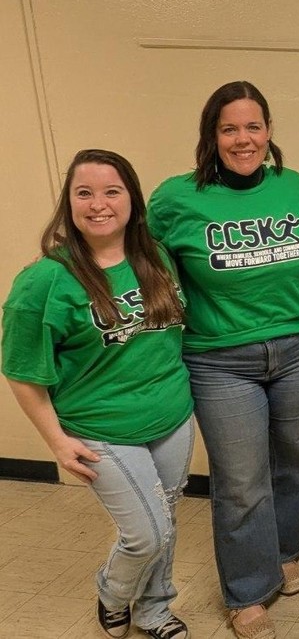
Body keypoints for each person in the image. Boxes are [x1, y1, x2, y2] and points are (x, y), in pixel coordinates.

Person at [148, 81, 299, 639]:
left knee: (297, 461)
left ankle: (285, 550)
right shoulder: (176, 199)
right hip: (220, 359)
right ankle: (247, 593)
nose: (243, 139)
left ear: (269, 132)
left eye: (253, 127)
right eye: (230, 128)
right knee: (242, 479)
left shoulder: (296, 189)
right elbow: (133, 258)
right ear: (211, 136)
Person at [2, 149, 193, 639]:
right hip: (99, 429)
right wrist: (56, 442)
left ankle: (154, 610)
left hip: (171, 415)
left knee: (165, 522)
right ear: (69, 203)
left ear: (131, 198)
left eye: (112, 191)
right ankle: (112, 590)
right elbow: (23, 371)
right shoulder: (46, 279)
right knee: (146, 533)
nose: (98, 204)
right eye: (84, 193)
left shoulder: (155, 255)